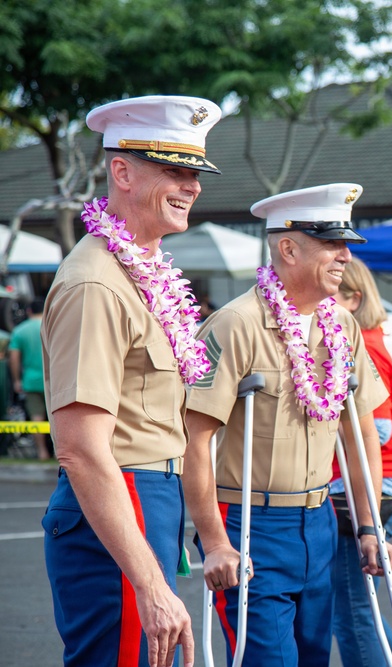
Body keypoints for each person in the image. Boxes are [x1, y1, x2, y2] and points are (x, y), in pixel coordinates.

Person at [41, 95, 223, 667]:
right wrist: (149, 581)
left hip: (149, 499)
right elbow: (80, 449)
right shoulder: (96, 282)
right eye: (173, 169)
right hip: (122, 498)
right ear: (121, 171)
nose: (191, 185)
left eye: (194, 172)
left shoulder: (138, 270)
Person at [182, 183, 392, 667]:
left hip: (320, 522)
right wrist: (215, 543)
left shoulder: (343, 325)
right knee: (268, 659)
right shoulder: (235, 324)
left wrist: (369, 526)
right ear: (288, 247)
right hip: (249, 524)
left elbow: (360, 433)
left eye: (346, 245)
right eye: (331, 243)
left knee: (314, 657)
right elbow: (197, 439)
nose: (344, 255)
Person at [330, 257, 392, 666]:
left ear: (354, 298)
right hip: (376, 483)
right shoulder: (363, 340)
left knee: (352, 609)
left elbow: (375, 431)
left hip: (372, 485)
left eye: (332, 292)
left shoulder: (363, 344)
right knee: (356, 608)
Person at [10, 298, 49, 459]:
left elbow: (14, 358)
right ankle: (59, 452)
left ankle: (42, 452)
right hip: (54, 381)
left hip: (31, 381)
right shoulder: (51, 327)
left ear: (29, 311)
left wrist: (16, 380)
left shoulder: (20, 330)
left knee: (36, 417)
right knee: (57, 417)